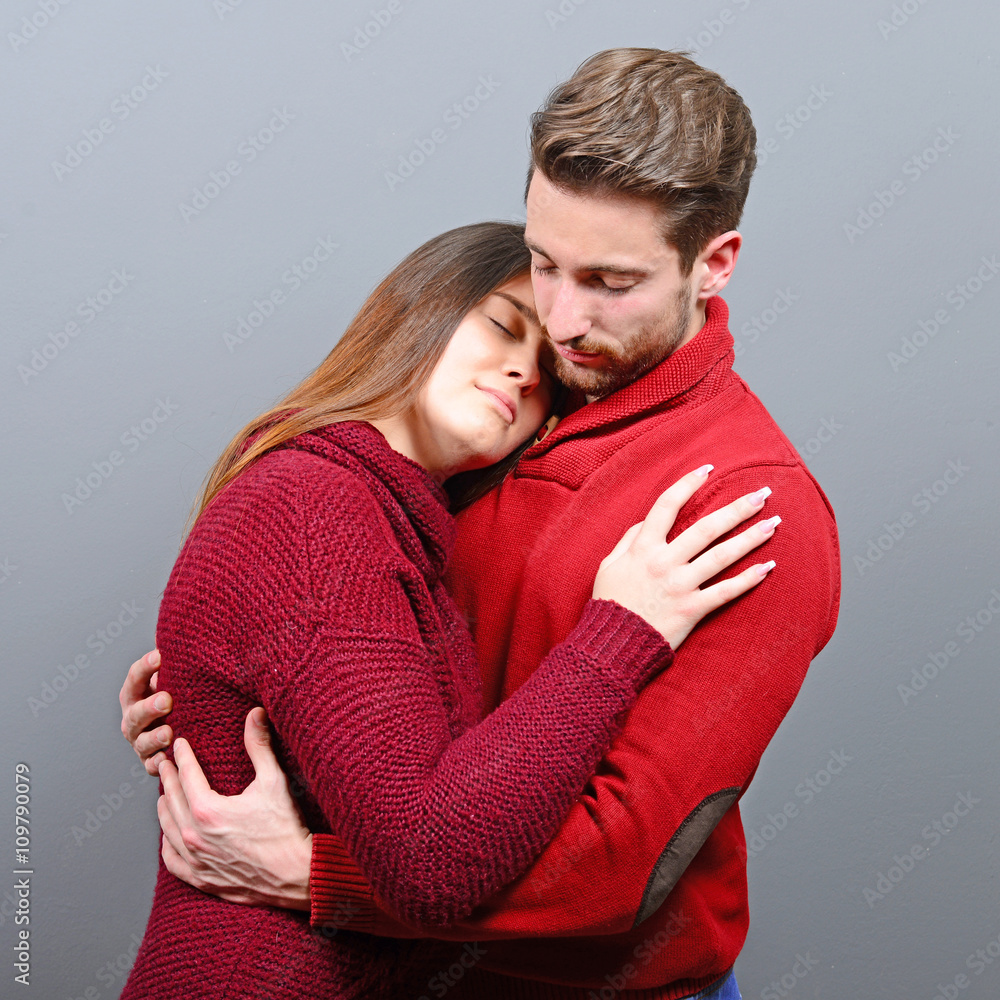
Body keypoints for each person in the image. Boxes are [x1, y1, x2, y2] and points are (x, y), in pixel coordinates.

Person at [122, 48, 841, 1000]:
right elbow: (377, 684)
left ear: (714, 264)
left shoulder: (750, 505)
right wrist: (210, 704)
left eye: (611, 282)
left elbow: (622, 866)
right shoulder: (487, 418)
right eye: (545, 265)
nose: (564, 321)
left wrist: (317, 877)